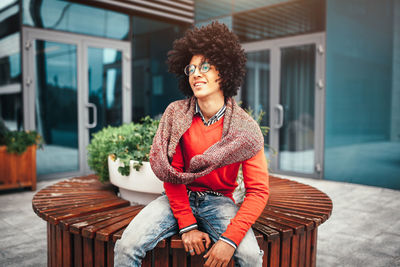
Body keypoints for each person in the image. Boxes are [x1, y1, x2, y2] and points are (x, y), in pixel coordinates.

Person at [114, 22, 269, 267]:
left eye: (205, 66)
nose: (196, 73)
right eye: (191, 68)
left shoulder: (246, 130)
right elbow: (171, 174)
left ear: (225, 72)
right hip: (178, 197)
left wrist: (229, 241)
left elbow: (258, 191)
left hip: (219, 202)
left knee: (250, 257)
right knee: (126, 247)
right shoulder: (176, 115)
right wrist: (187, 225)